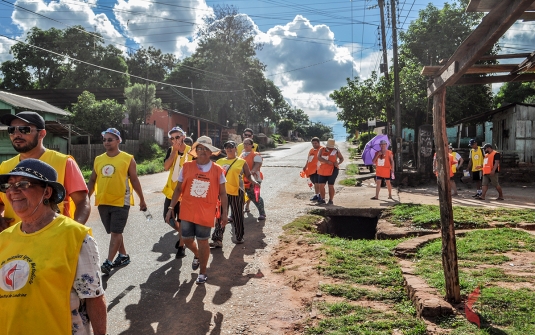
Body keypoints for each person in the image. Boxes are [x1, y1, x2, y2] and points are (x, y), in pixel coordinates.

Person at [0, 159, 106, 335]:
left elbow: (94, 297)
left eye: (23, 184)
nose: (13, 191)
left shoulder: (76, 236)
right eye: (8, 186)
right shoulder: (3, 239)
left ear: (47, 192)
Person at [0, 111, 90, 232]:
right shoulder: (5, 167)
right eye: (12, 130)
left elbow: (82, 202)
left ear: (42, 134)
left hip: (53, 239)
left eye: (24, 129)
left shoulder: (64, 163)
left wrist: (73, 231)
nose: (16, 134)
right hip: (14, 242)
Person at [165, 136, 228, 285]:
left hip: (206, 212)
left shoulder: (218, 170)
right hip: (187, 210)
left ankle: (203, 272)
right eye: (199, 148)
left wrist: (224, 213)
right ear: (196, 151)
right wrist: (170, 207)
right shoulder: (187, 167)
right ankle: (198, 255)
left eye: (206, 149)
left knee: (203, 241)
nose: (202, 151)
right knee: (186, 239)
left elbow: (223, 193)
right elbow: (179, 188)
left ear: (211, 152)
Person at [88, 128, 147, 275]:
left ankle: (108, 261)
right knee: (114, 232)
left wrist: (142, 200)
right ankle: (123, 256)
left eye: (110, 139)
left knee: (116, 232)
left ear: (118, 140)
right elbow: (92, 180)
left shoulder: (127, 158)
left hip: (121, 202)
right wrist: (86, 198)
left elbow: (134, 180)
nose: (106, 142)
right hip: (103, 201)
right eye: (104, 140)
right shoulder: (99, 159)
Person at [211, 140, 259, 247]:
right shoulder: (219, 162)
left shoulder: (241, 162)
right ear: (224, 149)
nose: (229, 148)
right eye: (226, 146)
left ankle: (239, 236)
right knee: (220, 216)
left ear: (236, 149)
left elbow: (248, 175)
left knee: (237, 215)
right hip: (222, 192)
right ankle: (218, 239)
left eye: (231, 146)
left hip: (237, 192)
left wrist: (254, 182)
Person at [162, 127, 190, 259]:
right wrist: (174, 151)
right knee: (168, 218)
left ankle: (181, 246)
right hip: (171, 191)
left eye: (177, 137)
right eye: (172, 138)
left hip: (186, 192)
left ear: (183, 136)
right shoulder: (171, 150)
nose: (175, 140)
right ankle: (185, 234)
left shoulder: (192, 151)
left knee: (182, 219)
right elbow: (166, 166)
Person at [240, 138, 266, 220]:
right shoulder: (242, 154)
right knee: (240, 196)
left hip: (254, 179)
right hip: (243, 179)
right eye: (244, 143)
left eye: (248, 143)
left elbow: (257, 164)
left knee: (255, 196)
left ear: (252, 145)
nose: (246, 145)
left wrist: (251, 172)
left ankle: (262, 213)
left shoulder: (256, 154)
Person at [316, 138, 344, 205]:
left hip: (333, 169)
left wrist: (338, 163)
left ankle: (331, 200)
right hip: (323, 169)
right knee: (321, 185)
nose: (330, 148)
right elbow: (319, 157)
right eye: (329, 147)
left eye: (332, 147)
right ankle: (322, 199)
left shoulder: (336, 150)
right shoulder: (322, 150)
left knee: (330, 185)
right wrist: (327, 162)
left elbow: (341, 158)